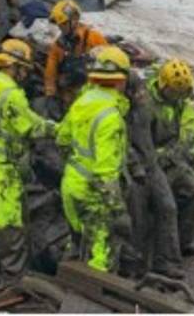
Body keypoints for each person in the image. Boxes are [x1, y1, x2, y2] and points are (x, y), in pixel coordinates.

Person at [0, 38, 56, 287]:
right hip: (0, 178)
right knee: (11, 240)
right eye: (24, 69)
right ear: (15, 67)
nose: (25, 75)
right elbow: (33, 126)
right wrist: (63, 130)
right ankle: (13, 296)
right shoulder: (12, 95)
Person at [57, 45, 132, 273]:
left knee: (77, 243)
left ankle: (65, 293)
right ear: (120, 81)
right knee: (101, 258)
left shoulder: (81, 102)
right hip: (94, 195)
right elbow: (106, 173)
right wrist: (118, 211)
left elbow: (62, 139)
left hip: (70, 186)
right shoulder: (111, 116)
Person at [124, 68, 184, 279]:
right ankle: (135, 265)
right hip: (134, 169)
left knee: (168, 207)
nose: (142, 95)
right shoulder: (119, 112)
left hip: (152, 165)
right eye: (138, 91)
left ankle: (167, 261)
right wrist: (135, 167)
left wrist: (164, 154)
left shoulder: (144, 108)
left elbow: (156, 136)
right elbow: (123, 143)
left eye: (142, 90)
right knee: (138, 217)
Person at [147, 59, 194, 256]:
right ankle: (159, 247)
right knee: (165, 202)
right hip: (151, 164)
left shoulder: (182, 106)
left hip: (174, 161)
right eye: (174, 93)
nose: (178, 97)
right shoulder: (146, 105)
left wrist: (188, 155)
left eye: (181, 94)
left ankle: (187, 241)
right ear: (163, 85)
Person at [43, 0, 107, 107]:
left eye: (63, 24)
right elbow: (50, 74)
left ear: (75, 19)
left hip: (94, 94)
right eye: (60, 25)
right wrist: (50, 95)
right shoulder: (58, 46)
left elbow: (110, 62)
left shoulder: (94, 38)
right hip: (70, 96)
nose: (61, 28)